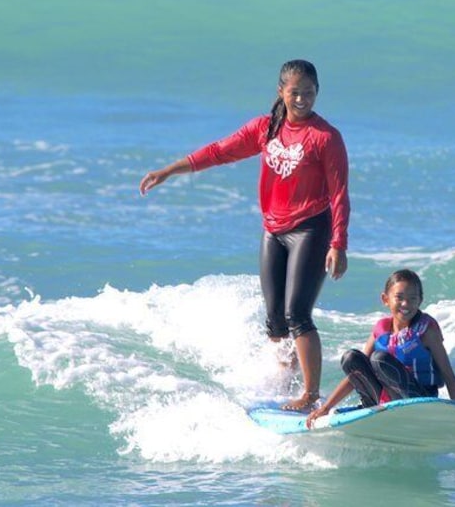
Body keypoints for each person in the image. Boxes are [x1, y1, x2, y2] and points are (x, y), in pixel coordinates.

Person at [139, 59, 350, 413]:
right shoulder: (265, 129)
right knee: (275, 320)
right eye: (295, 92)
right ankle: (287, 382)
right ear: (281, 91)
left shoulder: (326, 138)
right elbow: (220, 151)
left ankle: (311, 396)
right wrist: (171, 170)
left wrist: (338, 244)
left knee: (298, 314)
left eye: (309, 93)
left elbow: (340, 193)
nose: (302, 99)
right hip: (273, 230)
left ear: (318, 93)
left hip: (311, 228)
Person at [306, 269, 455, 428]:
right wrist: (325, 408)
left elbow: (448, 374)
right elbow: (356, 374)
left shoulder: (426, 331)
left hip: (420, 402)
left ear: (420, 300)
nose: (406, 304)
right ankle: (373, 407)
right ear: (385, 299)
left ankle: (404, 413)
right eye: (399, 297)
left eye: (412, 298)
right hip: (387, 400)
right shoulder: (381, 330)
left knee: (379, 359)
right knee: (351, 358)